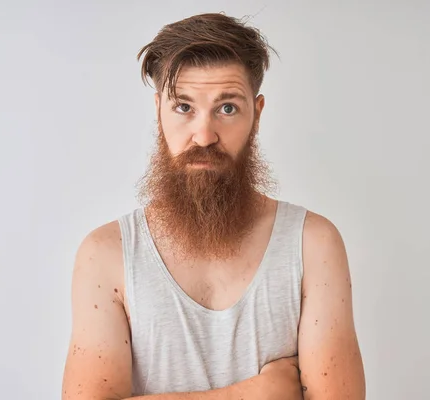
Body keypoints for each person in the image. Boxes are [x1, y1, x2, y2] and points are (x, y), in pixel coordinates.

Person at [62, 12, 365, 400]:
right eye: (184, 107)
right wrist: (252, 394)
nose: (204, 136)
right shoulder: (105, 255)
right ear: (159, 111)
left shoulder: (313, 245)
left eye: (227, 109)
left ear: (256, 114)